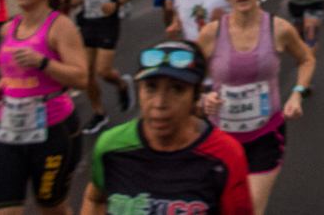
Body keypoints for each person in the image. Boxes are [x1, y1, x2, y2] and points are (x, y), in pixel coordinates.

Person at [199, 0, 316, 215]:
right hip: (220, 140)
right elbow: (189, 80)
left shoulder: (279, 29)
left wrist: (297, 94)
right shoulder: (210, 34)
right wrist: (203, 99)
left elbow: (306, 58)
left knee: (248, 210)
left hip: (265, 137)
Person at [82, 41, 253, 215]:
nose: (159, 103)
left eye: (177, 89)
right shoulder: (110, 146)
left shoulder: (225, 155)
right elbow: (95, 199)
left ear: (195, 95)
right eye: (150, 87)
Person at [0, 0, 87, 215]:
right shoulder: (8, 28)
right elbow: (10, 74)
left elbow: (81, 78)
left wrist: (43, 63)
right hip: (8, 128)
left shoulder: (61, 27)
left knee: (53, 209)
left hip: (53, 132)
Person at [66, 0, 140, 134]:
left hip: (108, 22)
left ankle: (121, 84)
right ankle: (99, 114)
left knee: (103, 70)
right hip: (87, 22)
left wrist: (118, 4)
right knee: (87, 74)